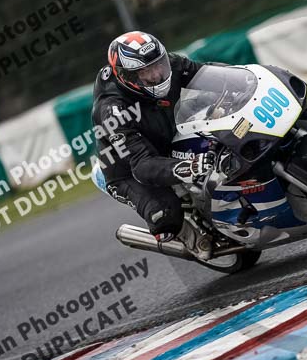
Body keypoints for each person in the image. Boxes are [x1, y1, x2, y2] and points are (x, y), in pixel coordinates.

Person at [92, 31, 215, 245]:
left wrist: (248, 80)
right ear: (127, 76)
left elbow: (209, 74)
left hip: (166, 135)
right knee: (165, 216)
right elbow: (142, 165)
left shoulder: (171, 64)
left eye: (158, 65)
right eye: (145, 72)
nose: (157, 75)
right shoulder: (112, 111)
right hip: (128, 168)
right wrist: (190, 167)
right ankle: (194, 239)